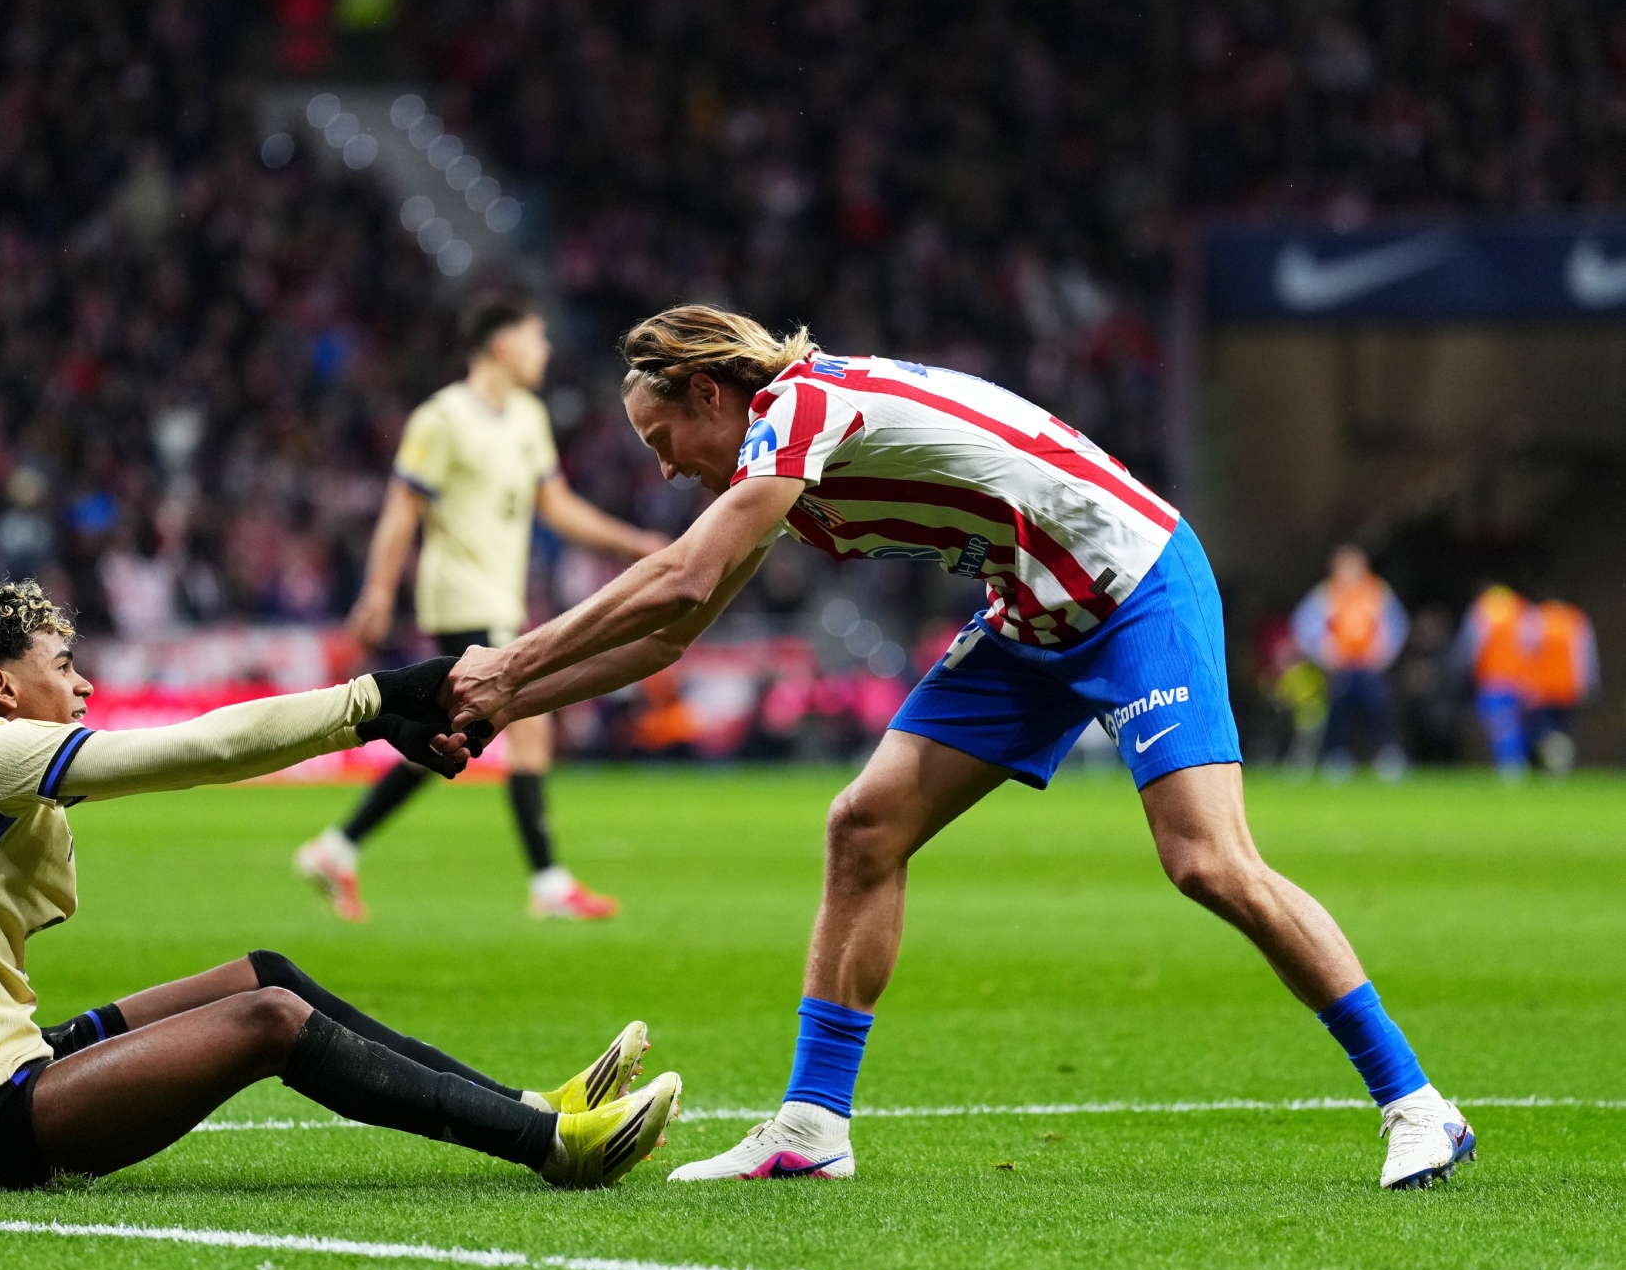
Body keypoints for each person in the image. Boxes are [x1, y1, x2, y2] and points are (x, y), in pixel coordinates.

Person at [443, 305, 1472, 1191]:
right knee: (864, 825)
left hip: (1136, 589)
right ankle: (811, 1127)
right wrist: (507, 699)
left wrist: (509, 662)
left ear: (711, 394)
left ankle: (1418, 1105)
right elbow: (673, 635)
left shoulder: (799, 409)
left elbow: (678, 579)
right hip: (1030, 615)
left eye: (664, 439)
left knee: (1207, 861)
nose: (665, 468)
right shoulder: (777, 460)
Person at [0, 580, 679, 1192]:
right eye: (65, 667)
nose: (85, 687)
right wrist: (375, 698)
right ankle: (553, 1146)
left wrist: (378, 723)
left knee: (261, 974)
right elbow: (205, 749)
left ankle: (533, 1105)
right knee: (269, 1020)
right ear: (1, 687)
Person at [296, 299, 668, 923]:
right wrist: (379, 592)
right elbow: (402, 509)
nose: (545, 349)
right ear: (501, 344)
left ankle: (336, 849)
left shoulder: (527, 417)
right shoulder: (441, 419)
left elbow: (557, 505)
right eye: (535, 337)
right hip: (461, 597)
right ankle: (548, 883)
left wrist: (634, 545)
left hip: (501, 598)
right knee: (526, 723)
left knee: (450, 738)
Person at [1290, 544, 1408, 781]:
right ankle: (1338, 755)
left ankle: (1387, 754)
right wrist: (1322, 651)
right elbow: (1303, 625)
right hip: (1340, 666)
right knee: (1338, 709)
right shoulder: (1326, 592)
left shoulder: (1376, 590)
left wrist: (1384, 651)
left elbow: (1396, 623)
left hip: (1369, 665)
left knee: (1378, 706)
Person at [1454, 583, 1534, 782]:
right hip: (1519, 680)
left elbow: (1471, 643)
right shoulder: (1522, 607)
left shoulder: (1482, 608)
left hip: (1493, 679)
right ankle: (1516, 763)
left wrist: (1461, 667)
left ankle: (1510, 765)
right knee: (1515, 724)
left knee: (1500, 724)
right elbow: (1533, 645)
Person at [1523, 596, 1599, 775]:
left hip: (1543, 688)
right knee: (1562, 728)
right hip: (1567, 687)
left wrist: (1525, 683)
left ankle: (1551, 765)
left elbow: (1526, 652)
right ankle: (1559, 765)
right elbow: (1585, 656)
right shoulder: (1575, 619)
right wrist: (1588, 684)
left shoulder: (1537, 618)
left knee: (1545, 729)